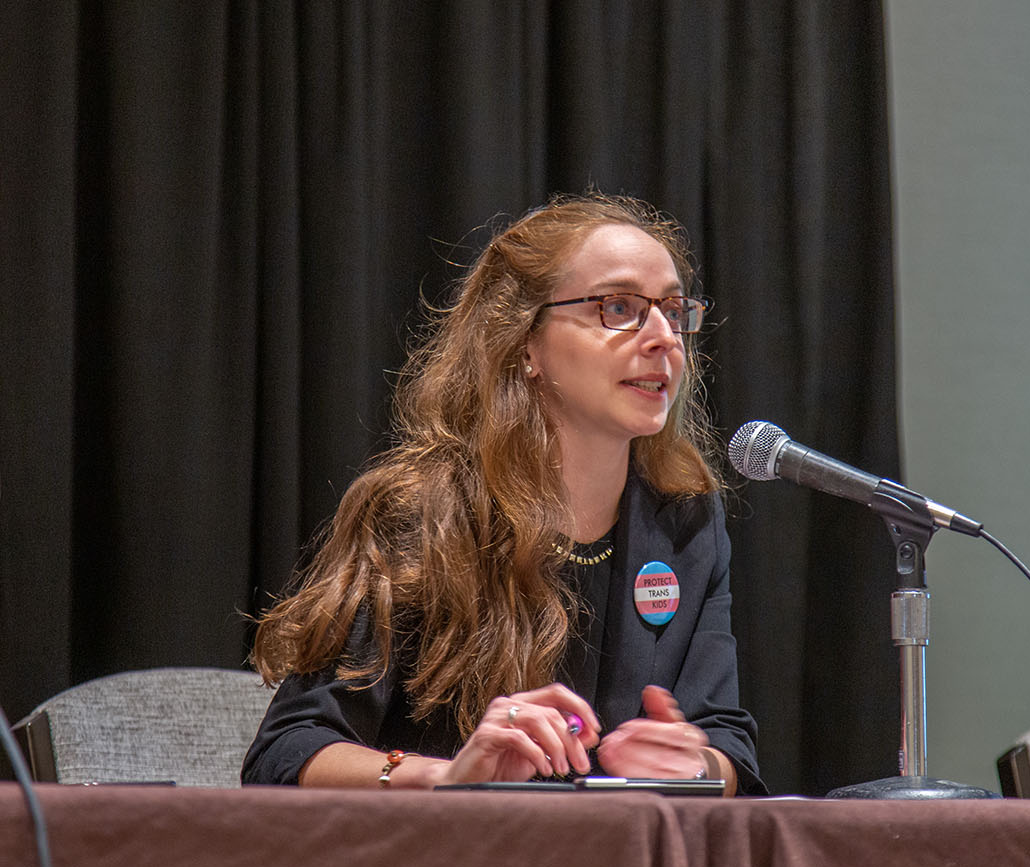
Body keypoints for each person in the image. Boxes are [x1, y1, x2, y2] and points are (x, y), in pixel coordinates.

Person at [243, 192, 764, 795]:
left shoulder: (688, 523)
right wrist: (450, 779)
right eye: (619, 307)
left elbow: (729, 749)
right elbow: (285, 752)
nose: (663, 338)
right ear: (526, 345)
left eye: (673, 312)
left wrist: (692, 765)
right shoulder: (418, 512)